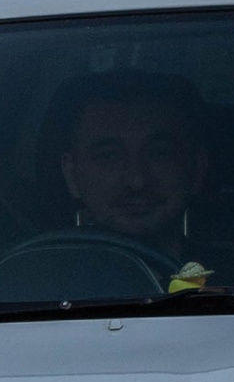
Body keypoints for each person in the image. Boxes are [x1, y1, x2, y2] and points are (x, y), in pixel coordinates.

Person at [50, 73, 212, 261]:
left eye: (158, 153)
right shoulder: (35, 285)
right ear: (72, 174)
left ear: (197, 169)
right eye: (109, 156)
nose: (137, 181)